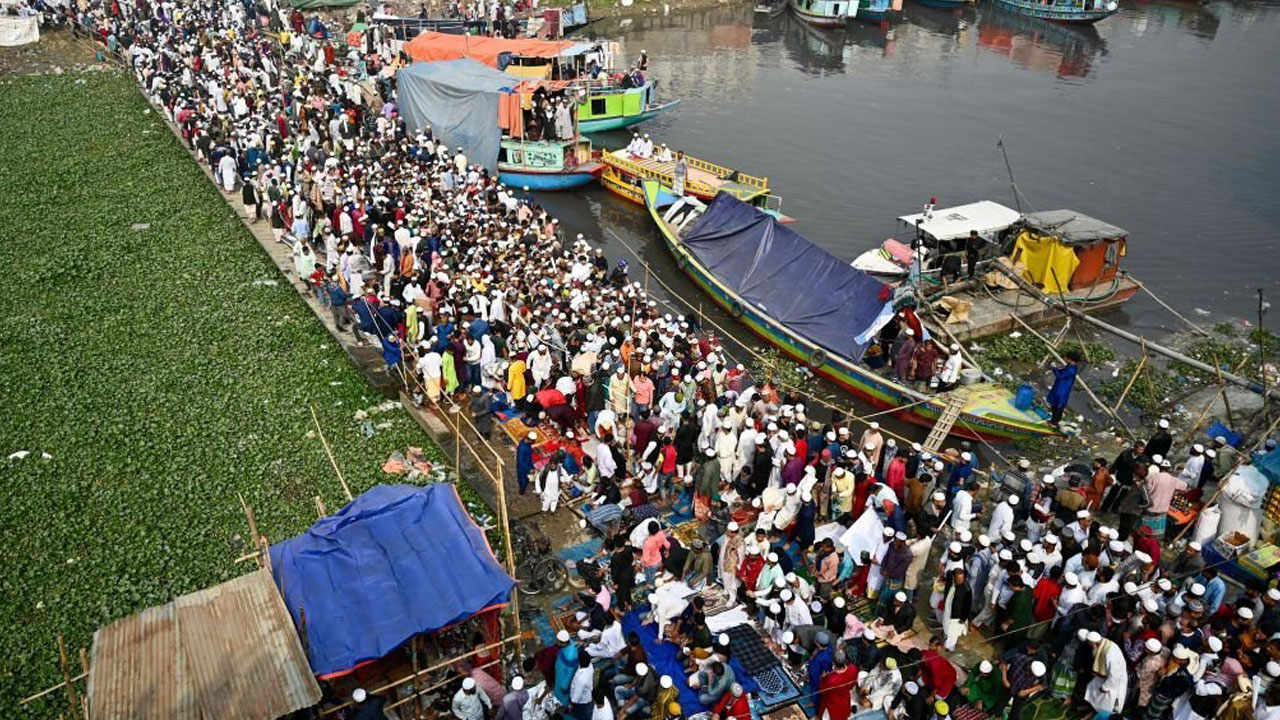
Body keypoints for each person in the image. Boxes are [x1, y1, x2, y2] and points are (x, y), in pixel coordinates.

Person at [1047, 353, 1080, 426]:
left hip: (1062, 389)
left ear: (1070, 359)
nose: (1065, 359)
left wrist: (1053, 368)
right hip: (1060, 387)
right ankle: (1053, 420)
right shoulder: (1071, 367)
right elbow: (1062, 372)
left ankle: (1054, 422)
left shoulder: (1071, 369)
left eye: (1067, 358)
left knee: (1059, 405)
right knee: (1055, 404)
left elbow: (1060, 375)